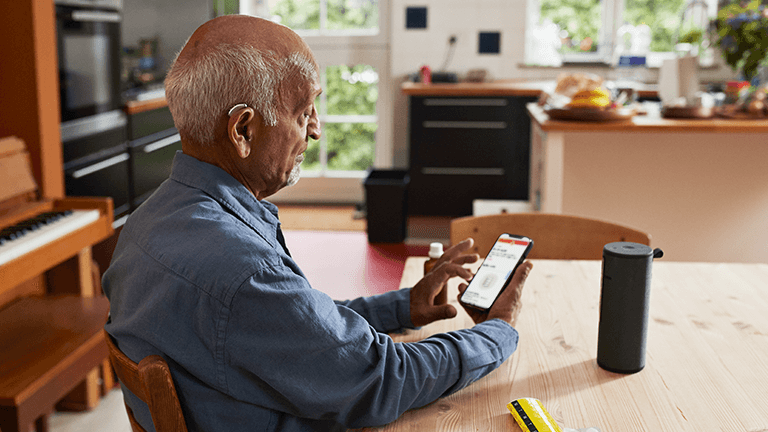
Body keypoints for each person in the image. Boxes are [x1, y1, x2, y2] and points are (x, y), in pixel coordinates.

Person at [102, 14, 533, 432]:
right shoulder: (245, 273)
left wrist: (402, 307)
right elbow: (383, 379)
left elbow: (289, 330)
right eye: (303, 112)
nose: (316, 130)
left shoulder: (142, 227)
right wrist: (498, 332)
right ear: (243, 130)